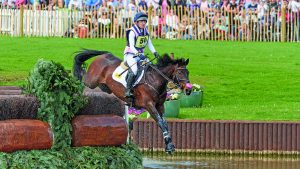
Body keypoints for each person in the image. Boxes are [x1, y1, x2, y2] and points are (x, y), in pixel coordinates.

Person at [123, 12, 159, 98]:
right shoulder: (132, 32)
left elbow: (149, 44)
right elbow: (131, 46)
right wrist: (138, 54)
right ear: (136, 22)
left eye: (145, 21)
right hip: (130, 54)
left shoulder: (145, 31)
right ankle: (127, 90)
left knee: (150, 67)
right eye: (141, 21)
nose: (143, 23)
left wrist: (154, 52)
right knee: (134, 70)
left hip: (140, 54)